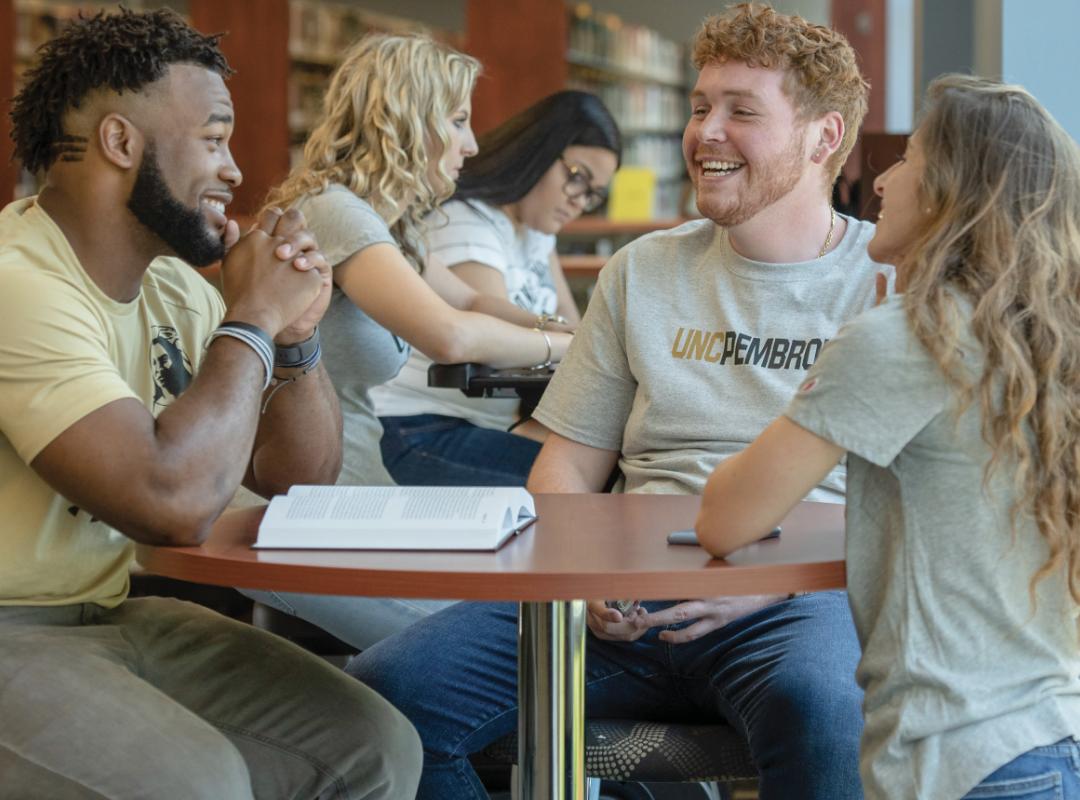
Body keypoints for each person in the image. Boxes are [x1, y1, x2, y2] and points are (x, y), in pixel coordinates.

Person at [348, 5, 889, 799]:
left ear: (824, 137)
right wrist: (582, 573)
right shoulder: (641, 271)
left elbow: (921, 500)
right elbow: (563, 465)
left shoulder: (885, 283)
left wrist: (786, 582)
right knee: (383, 696)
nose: (707, 132)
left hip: (797, 601)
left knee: (829, 716)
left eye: (743, 111)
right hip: (622, 597)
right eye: (701, 107)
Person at [0, 10, 420, 798]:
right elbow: (172, 503)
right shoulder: (17, 286)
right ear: (122, 144)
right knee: (196, 781)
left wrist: (295, 336)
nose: (236, 170)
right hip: (10, 626)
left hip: (108, 612)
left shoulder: (171, 287)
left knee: (376, 744)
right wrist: (253, 317)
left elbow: (299, 481)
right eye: (215, 138)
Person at [697, 75, 1080, 800]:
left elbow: (726, 518)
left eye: (908, 159)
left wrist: (856, 345)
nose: (884, 178)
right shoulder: (1042, 338)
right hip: (1042, 740)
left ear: (946, 191)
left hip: (960, 764)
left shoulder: (906, 339)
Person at [238, 36, 602, 649]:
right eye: (458, 120)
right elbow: (450, 334)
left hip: (356, 501)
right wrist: (576, 351)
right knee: (523, 643)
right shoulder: (336, 212)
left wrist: (582, 332)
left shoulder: (385, 222)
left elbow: (471, 301)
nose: (473, 144)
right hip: (316, 515)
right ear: (407, 120)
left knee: (530, 611)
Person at [372, 90, 621, 487]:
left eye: (593, 194)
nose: (579, 202)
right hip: (421, 426)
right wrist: (573, 343)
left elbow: (572, 330)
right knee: (599, 481)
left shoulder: (537, 232)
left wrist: (578, 343)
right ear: (538, 150)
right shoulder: (464, 221)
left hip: (483, 424)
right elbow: (498, 348)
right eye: (577, 179)